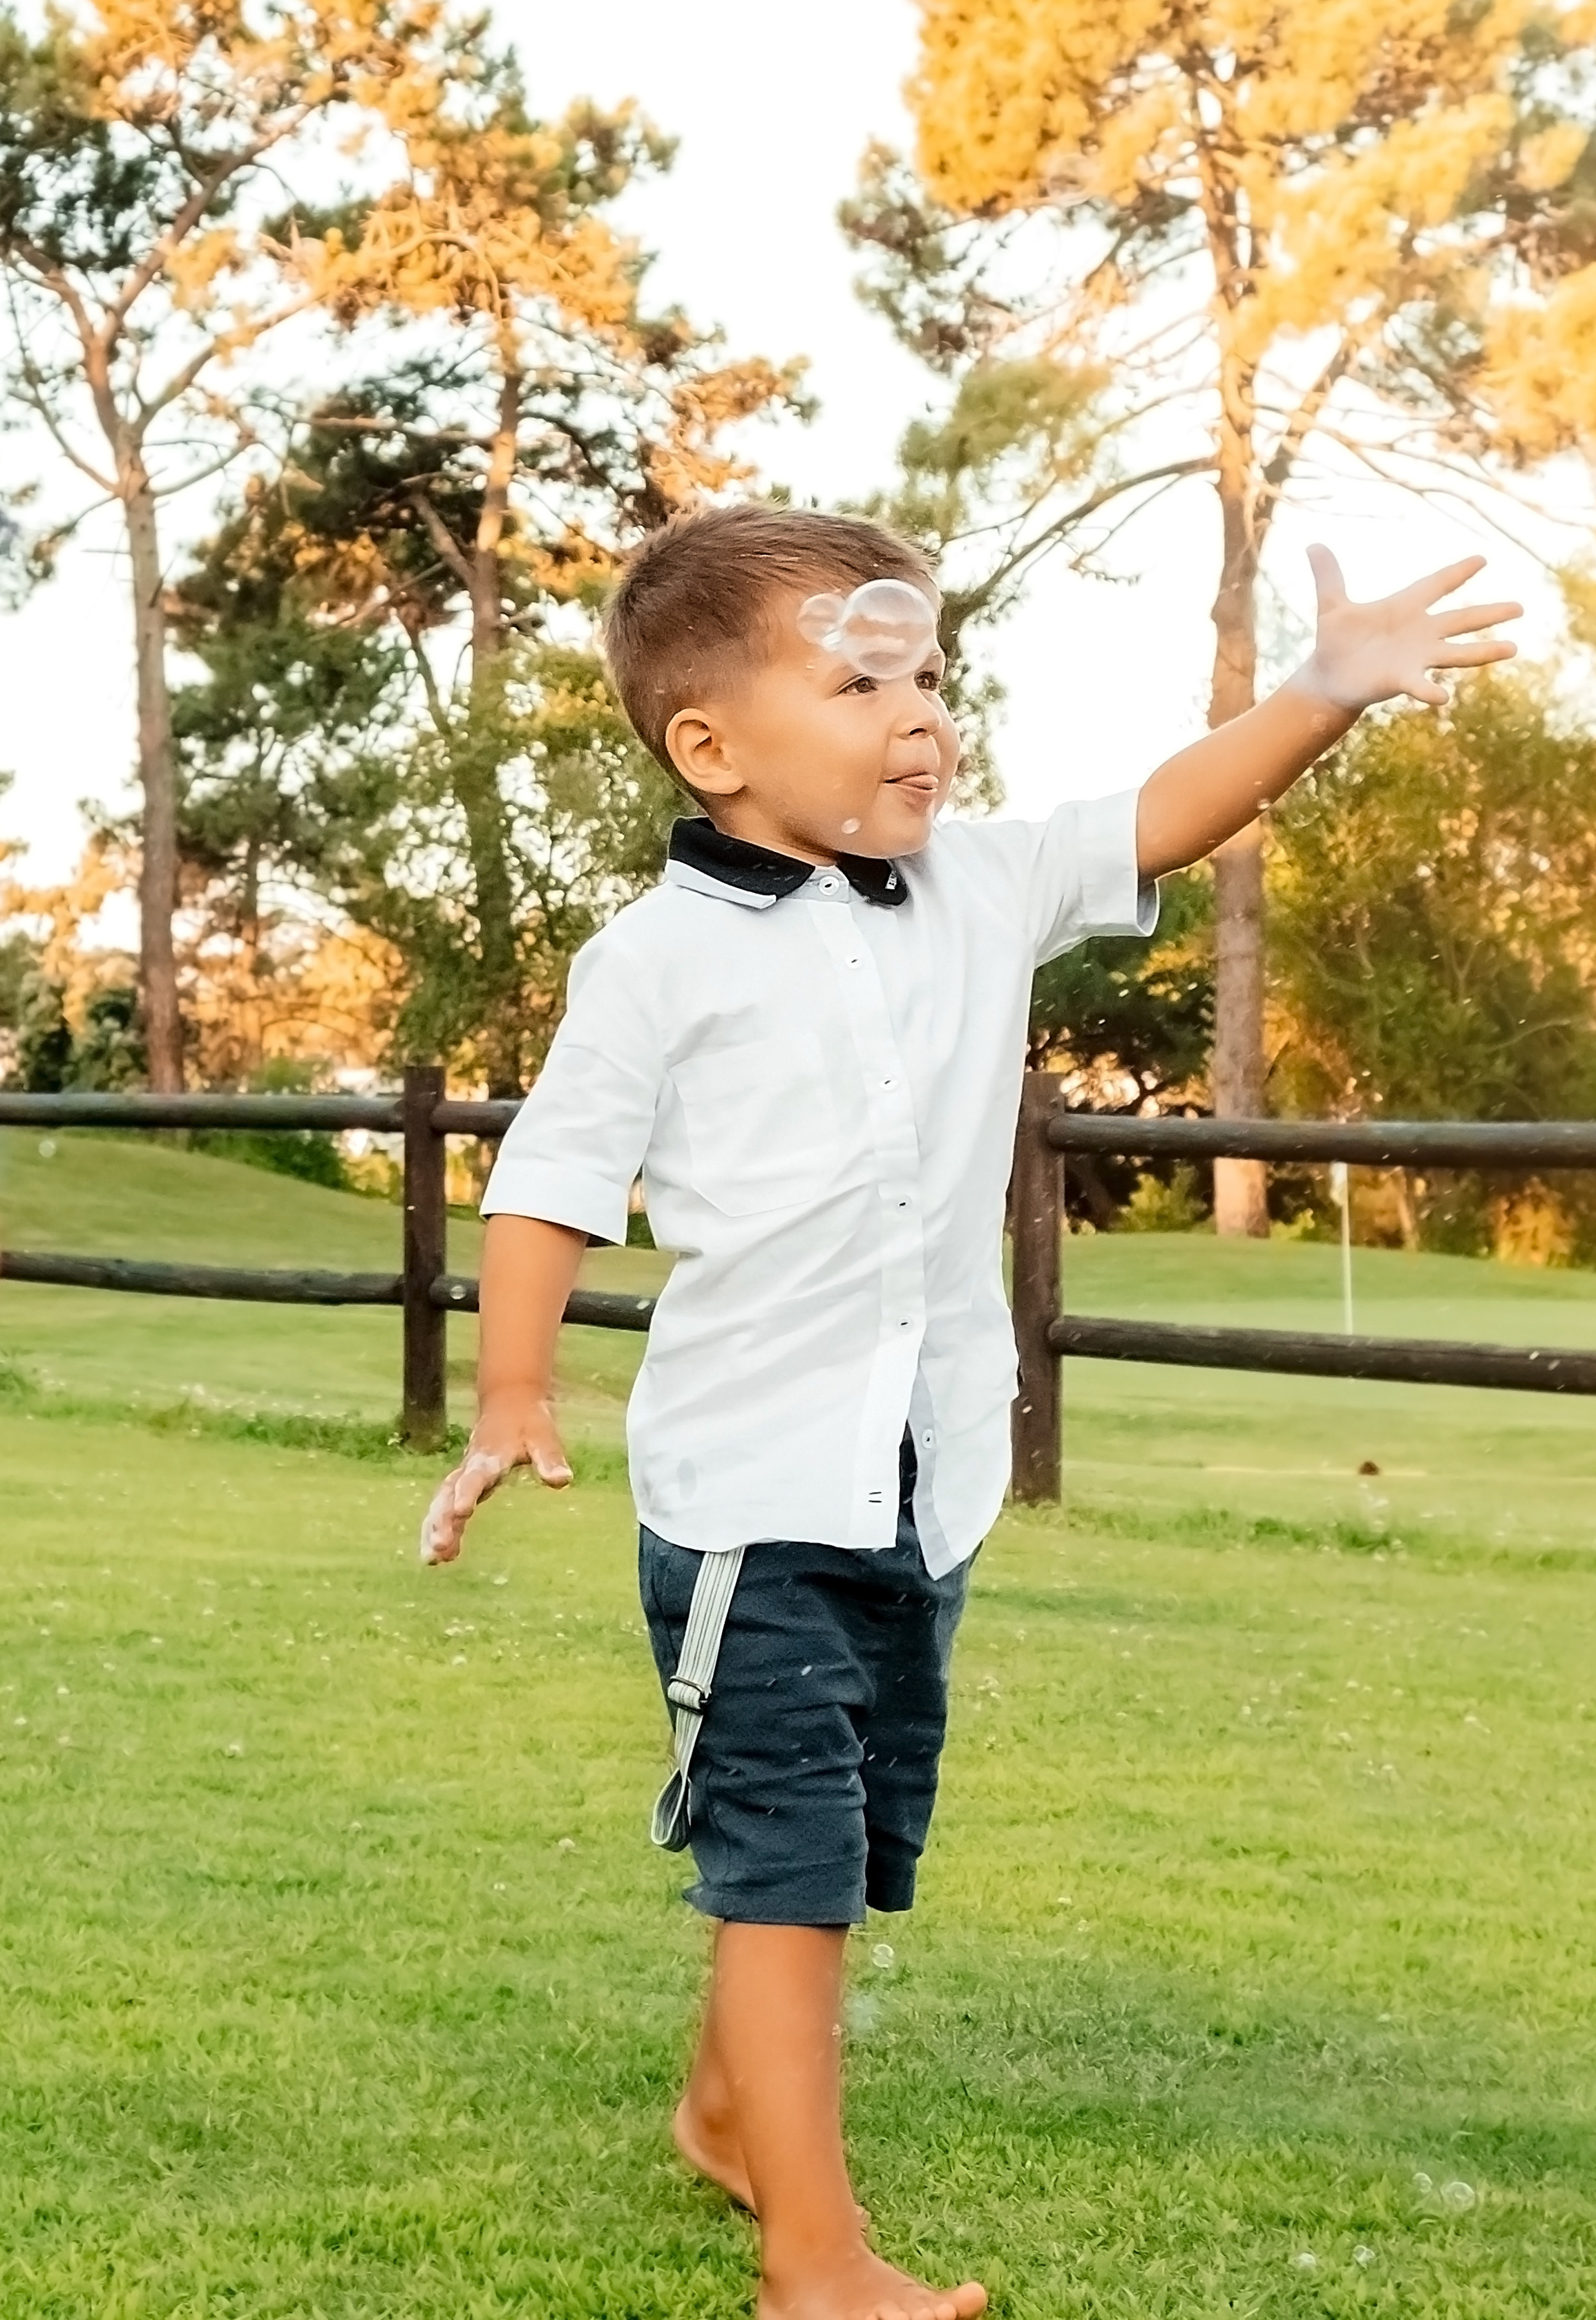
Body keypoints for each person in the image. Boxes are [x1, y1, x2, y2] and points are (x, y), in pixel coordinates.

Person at [419, 502, 1519, 2320]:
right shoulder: (656, 962)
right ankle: (814, 2261)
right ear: (712, 747)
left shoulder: (982, 884)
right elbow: (550, 1182)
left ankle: (724, 2111)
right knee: (788, 1859)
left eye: (932, 676)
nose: (922, 714)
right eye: (863, 682)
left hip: (927, 1484)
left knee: (841, 1836)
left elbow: (1162, 812)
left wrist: (1325, 688)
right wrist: (510, 1393)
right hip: (756, 1492)